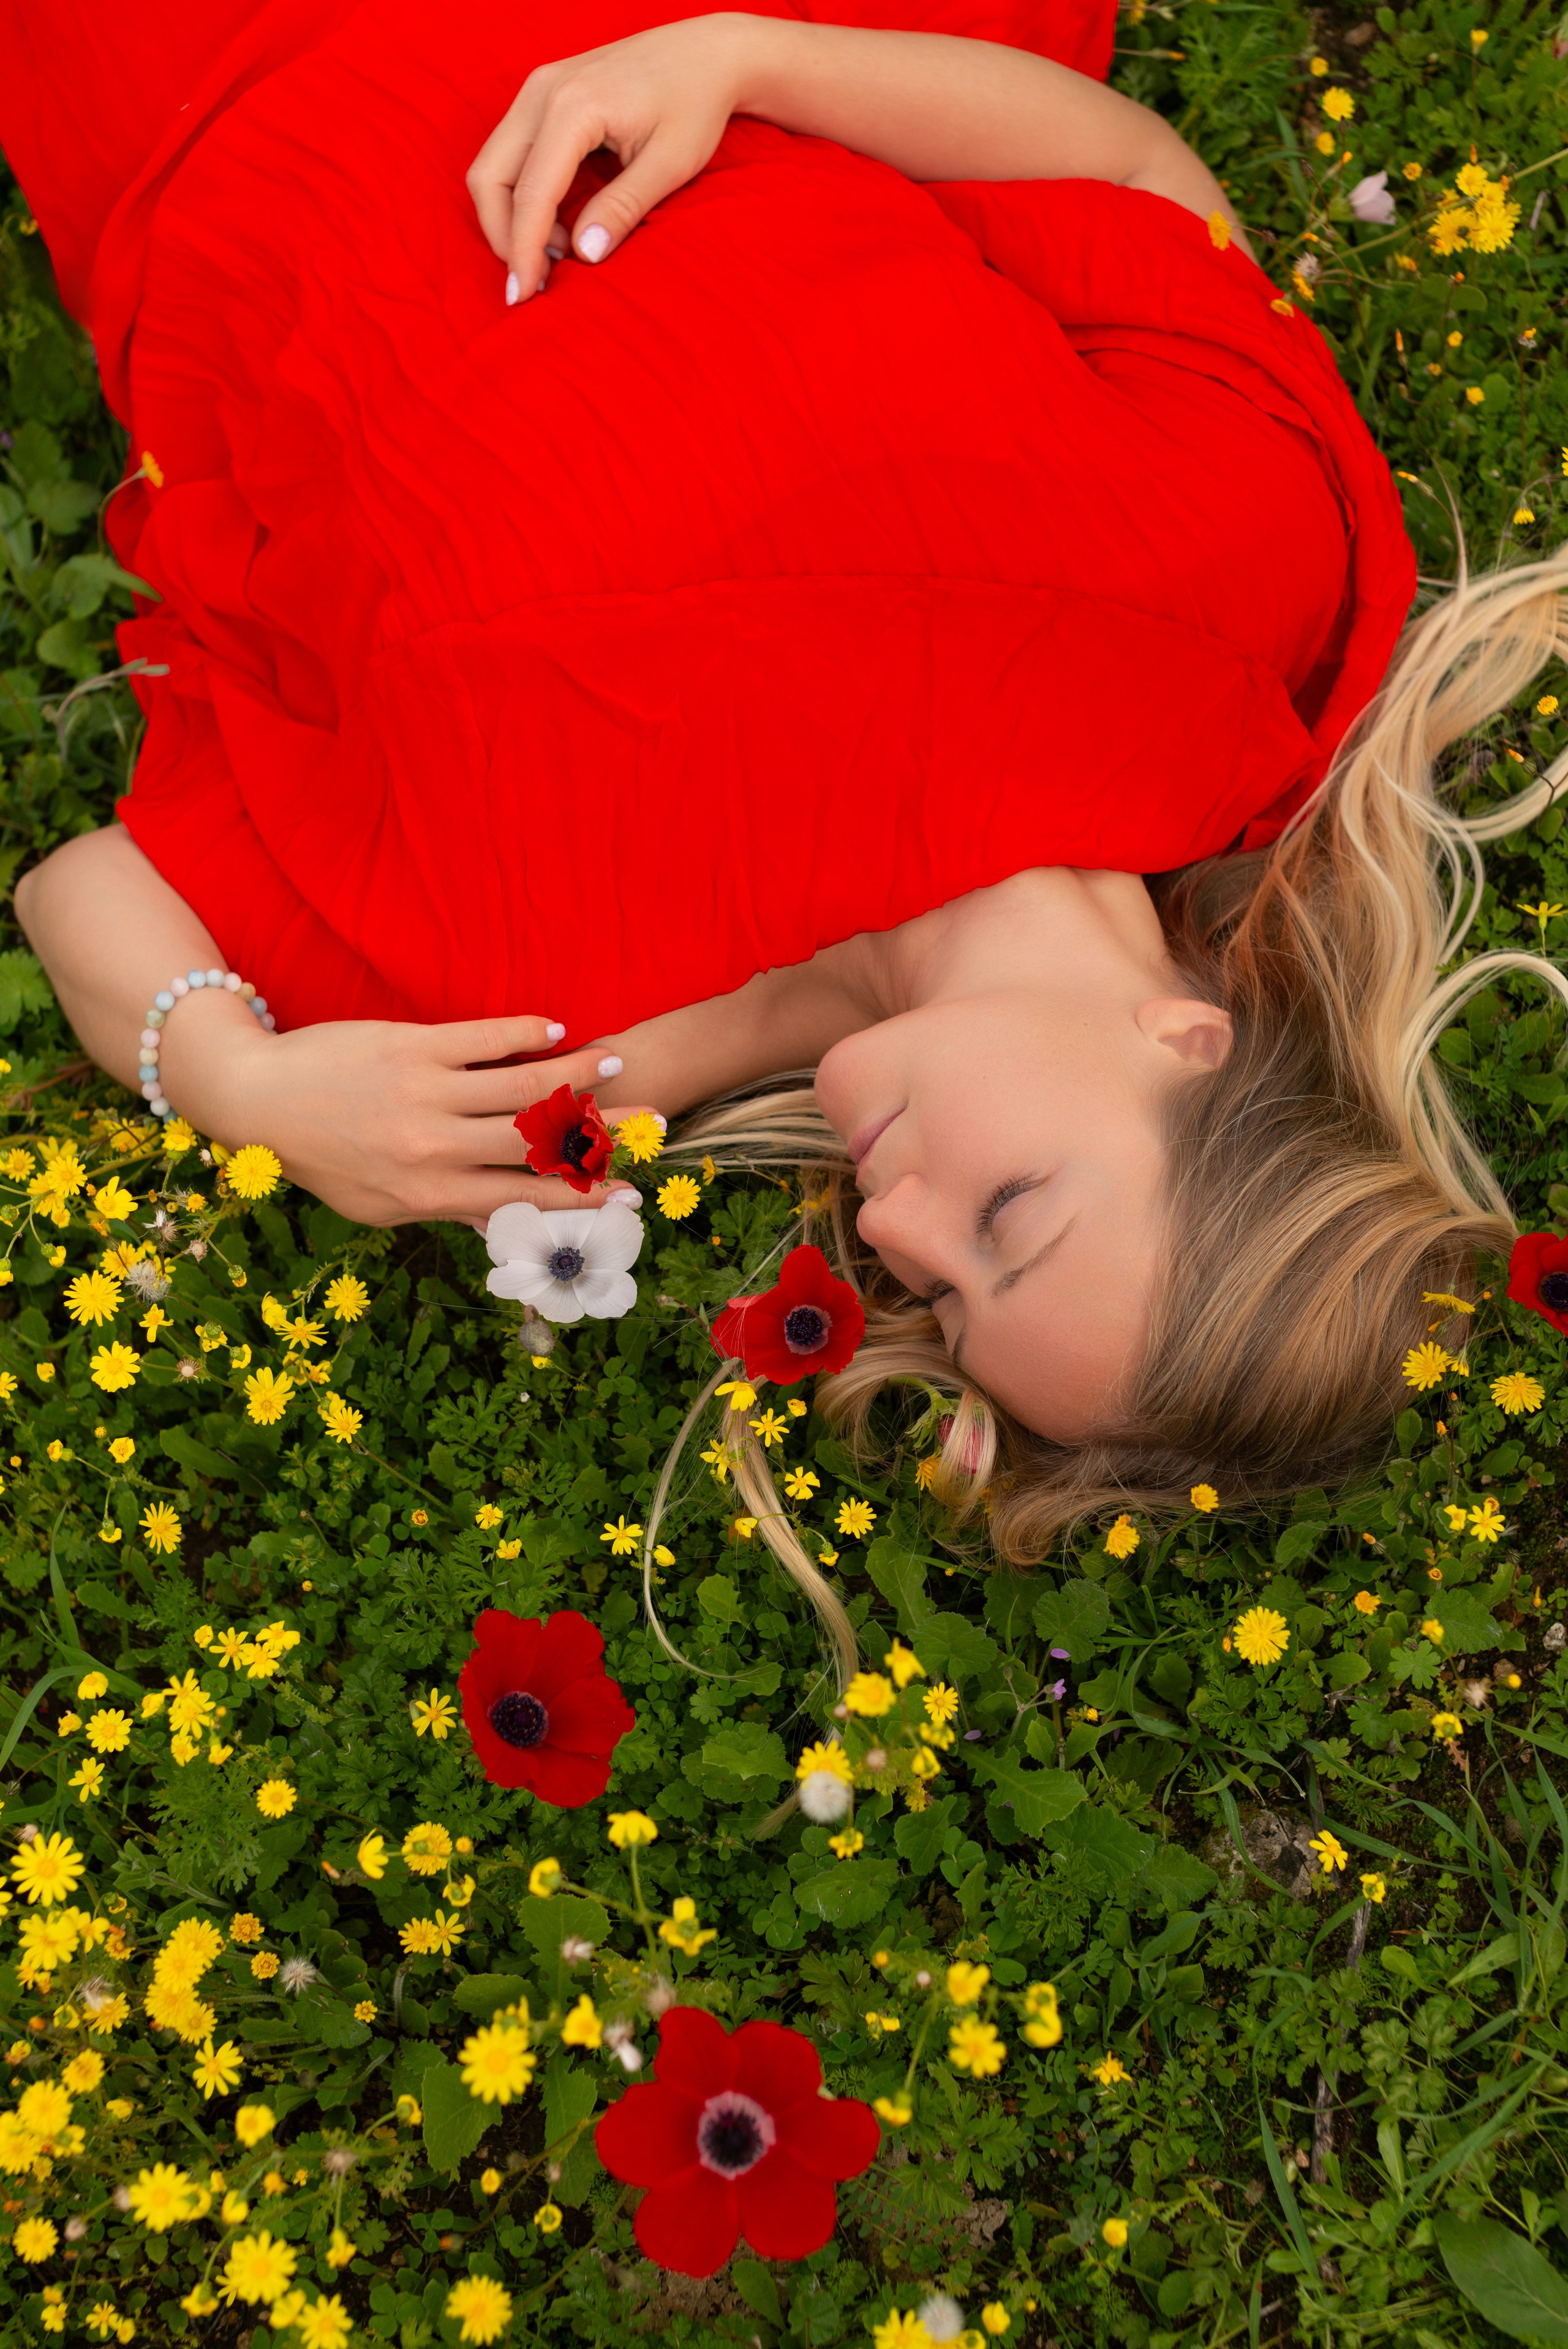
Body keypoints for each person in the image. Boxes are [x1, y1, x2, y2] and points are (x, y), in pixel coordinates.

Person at [4, 1, 1563, 1561]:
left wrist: (244, 1083)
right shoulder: (1228, 625)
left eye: (938, 1295)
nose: (890, 1228)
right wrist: (749, 60)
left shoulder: (590, 1056)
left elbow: (87, 891)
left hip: (207, 91)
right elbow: (1122, 183)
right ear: (1187, 1037)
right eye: (1007, 1212)